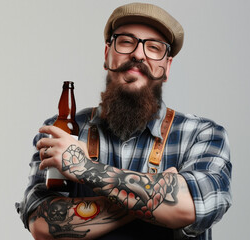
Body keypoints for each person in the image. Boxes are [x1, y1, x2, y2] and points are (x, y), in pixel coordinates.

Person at [15, 2, 232, 239]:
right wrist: (155, 194)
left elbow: (192, 206)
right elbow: (43, 224)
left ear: (166, 67)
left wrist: (84, 168)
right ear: (107, 54)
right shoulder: (62, 132)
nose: (138, 54)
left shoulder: (203, 135)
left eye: (154, 47)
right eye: (126, 42)